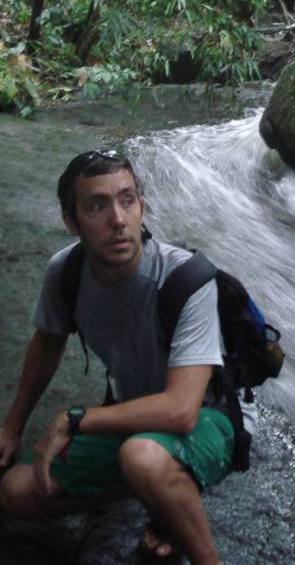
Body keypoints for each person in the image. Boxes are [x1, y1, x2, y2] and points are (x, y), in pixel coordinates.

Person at [0, 150, 249, 564]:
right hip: (134, 416)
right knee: (18, 490)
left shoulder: (186, 279)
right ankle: (156, 493)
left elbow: (181, 411)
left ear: (141, 207)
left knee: (143, 457)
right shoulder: (65, 272)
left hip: (211, 417)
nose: (118, 220)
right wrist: (12, 428)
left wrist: (74, 420)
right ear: (71, 221)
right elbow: (48, 341)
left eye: (127, 200)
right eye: (97, 205)